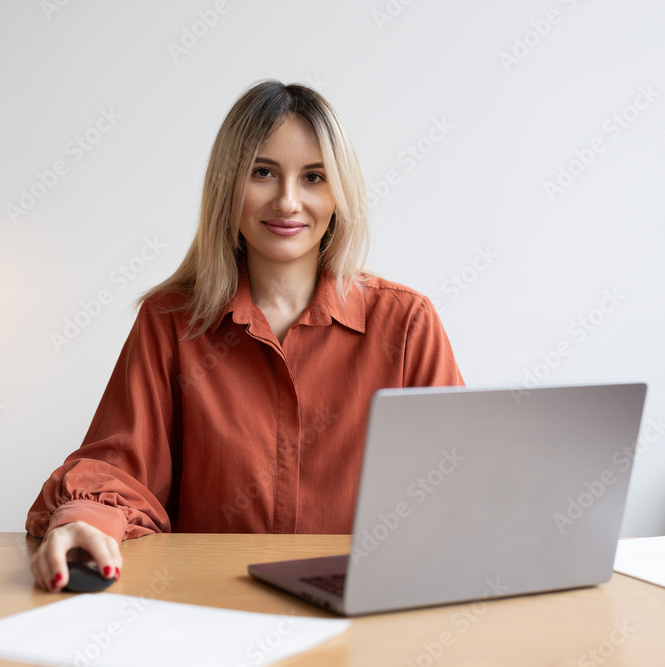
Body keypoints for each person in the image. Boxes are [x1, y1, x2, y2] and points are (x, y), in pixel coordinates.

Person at [26, 80, 464, 591]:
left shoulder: (407, 324)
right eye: (263, 173)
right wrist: (86, 523)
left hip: (365, 611)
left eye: (314, 177)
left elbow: (455, 483)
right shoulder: (170, 321)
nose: (288, 201)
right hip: (211, 605)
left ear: (340, 194)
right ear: (227, 186)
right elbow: (120, 465)